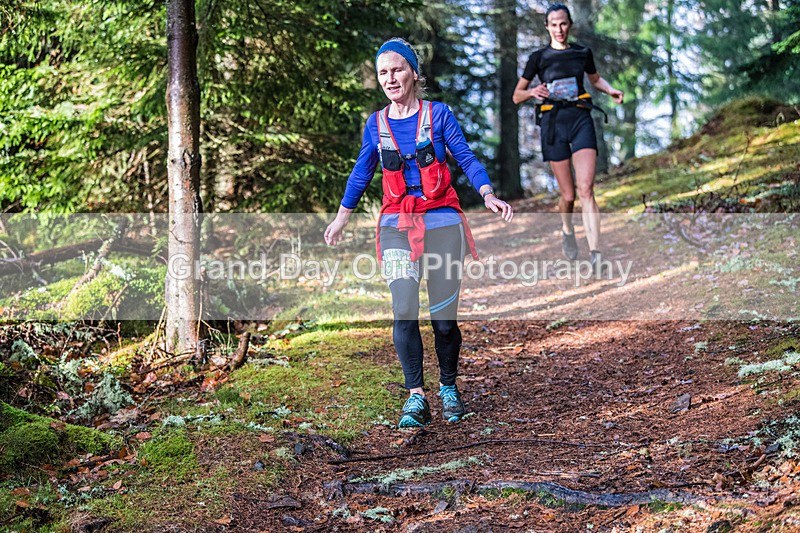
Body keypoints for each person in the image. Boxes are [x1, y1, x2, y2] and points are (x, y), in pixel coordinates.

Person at [325, 38, 513, 428]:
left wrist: (488, 193)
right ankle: (416, 396)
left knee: (444, 321)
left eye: (396, 70)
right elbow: (361, 173)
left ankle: (447, 386)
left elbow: (466, 157)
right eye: (383, 73)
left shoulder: (439, 114)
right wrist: (342, 217)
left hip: (442, 222)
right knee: (404, 308)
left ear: (413, 73)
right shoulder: (375, 124)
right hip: (397, 224)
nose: (390, 78)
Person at [512, 3, 623, 266]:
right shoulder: (538, 58)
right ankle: (567, 229)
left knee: (586, 189)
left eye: (563, 23)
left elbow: (595, 79)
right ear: (547, 27)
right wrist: (532, 93)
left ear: (569, 24)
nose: (559, 29)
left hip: (580, 118)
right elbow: (517, 96)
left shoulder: (582, 53)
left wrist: (611, 91)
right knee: (569, 195)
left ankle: (596, 253)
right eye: (554, 24)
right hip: (553, 125)